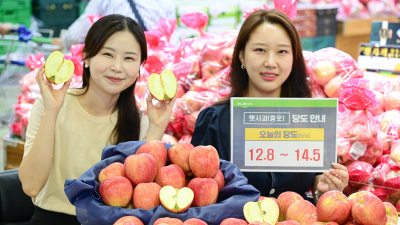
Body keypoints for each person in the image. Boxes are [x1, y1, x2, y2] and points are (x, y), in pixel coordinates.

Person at [18, 14, 175, 224]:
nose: (117, 67)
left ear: (139, 67)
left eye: (129, 58)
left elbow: (141, 201)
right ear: (86, 57)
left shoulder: (142, 122)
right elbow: (31, 185)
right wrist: (51, 111)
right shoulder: (52, 105)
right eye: (108, 54)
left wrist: (156, 127)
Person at [191, 9, 349, 202]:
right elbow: (197, 193)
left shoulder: (311, 118)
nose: (270, 62)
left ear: (294, 59)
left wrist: (326, 191)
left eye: (282, 51)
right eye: (260, 50)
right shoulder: (214, 120)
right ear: (241, 56)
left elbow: (317, 187)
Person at [52, 0, 176, 50]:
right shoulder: (166, 2)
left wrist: (65, 42)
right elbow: (172, 42)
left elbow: (76, 35)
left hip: (116, 65)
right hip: (151, 68)